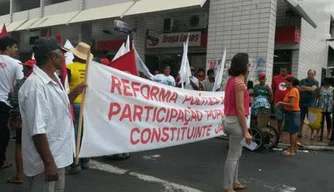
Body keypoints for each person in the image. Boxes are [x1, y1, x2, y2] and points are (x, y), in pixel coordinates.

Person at [19, 38, 86, 192]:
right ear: (52, 56)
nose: (64, 57)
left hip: (58, 156)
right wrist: (49, 163)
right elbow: (37, 130)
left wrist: (76, 91)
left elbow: (60, 107)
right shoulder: (36, 86)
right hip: (45, 163)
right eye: (62, 54)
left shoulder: (54, 78)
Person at [222, 53, 252, 192]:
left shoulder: (231, 80)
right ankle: (228, 186)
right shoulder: (240, 83)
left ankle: (235, 182)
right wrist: (246, 131)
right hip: (236, 122)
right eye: (248, 64)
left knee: (236, 154)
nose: (249, 66)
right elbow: (240, 108)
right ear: (243, 66)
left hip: (228, 120)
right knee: (233, 156)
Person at [7, 59, 36, 184]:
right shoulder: (40, 82)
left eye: (27, 68)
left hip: (22, 119)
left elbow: (14, 102)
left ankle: (20, 175)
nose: (24, 70)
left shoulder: (22, 83)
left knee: (20, 147)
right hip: (37, 120)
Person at [66, 42, 93, 174]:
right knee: (85, 131)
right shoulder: (92, 68)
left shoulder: (69, 67)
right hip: (88, 104)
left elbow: (65, 85)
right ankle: (85, 160)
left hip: (74, 102)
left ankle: (74, 162)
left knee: (74, 132)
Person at [0, 37, 23, 170]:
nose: (16, 50)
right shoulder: (16, 64)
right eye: (14, 47)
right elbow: (19, 85)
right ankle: (1, 160)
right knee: (3, 132)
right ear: (8, 48)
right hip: (4, 102)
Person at [277, 77, 300, 156]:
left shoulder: (293, 91)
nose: (285, 84)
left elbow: (292, 104)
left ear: (290, 83)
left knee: (292, 132)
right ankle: (294, 148)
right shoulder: (292, 90)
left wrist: (281, 103)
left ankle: (292, 150)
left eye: (286, 82)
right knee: (294, 132)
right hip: (293, 113)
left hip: (293, 113)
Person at [298, 69, 319, 138]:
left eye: (312, 74)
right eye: (309, 73)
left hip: (311, 102)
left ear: (314, 75)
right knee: (301, 118)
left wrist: (304, 87)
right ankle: (300, 132)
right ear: (307, 73)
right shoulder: (302, 81)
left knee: (312, 119)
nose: (310, 75)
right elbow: (299, 89)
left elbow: (313, 89)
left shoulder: (316, 82)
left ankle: (312, 134)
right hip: (302, 102)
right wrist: (309, 89)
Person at [272, 67, 292, 139]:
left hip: (287, 102)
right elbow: (273, 88)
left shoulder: (290, 77)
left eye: (284, 71)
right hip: (277, 101)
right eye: (281, 71)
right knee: (279, 119)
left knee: (287, 118)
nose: (282, 73)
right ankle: (279, 133)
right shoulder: (275, 78)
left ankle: (287, 133)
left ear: (287, 71)